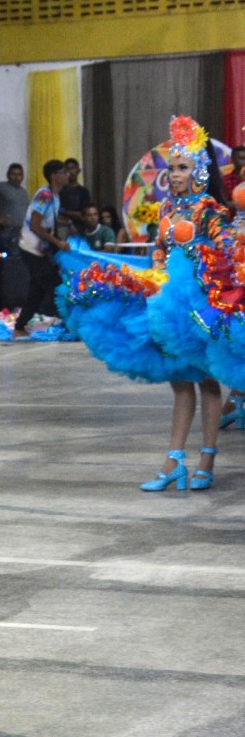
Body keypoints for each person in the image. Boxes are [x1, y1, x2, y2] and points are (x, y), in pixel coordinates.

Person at [59, 116, 228, 491]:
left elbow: (223, 251)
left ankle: (207, 459)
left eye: (183, 167)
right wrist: (154, 272)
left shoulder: (210, 211)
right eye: (172, 168)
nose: (175, 174)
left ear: (199, 171)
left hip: (198, 304)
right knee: (181, 382)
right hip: (169, 302)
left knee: (207, 380)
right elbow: (160, 251)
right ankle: (174, 462)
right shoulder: (168, 211)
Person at [12, 159, 70, 339]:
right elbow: (35, 226)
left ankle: (20, 327)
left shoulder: (55, 197)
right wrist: (57, 242)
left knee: (36, 290)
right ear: (54, 176)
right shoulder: (44, 195)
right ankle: (70, 324)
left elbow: (47, 222)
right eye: (63, 172)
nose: (67, 175)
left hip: (39, 250)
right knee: (56, 286)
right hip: (30, 248)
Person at [0, 163, 28, 253]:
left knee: (18, 262)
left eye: (19, 174)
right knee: (7, 262)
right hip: (5, 232)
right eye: (13, 174)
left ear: (23, 176)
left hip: (21, 233)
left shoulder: (23, 192)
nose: (16, 177)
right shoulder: (0, 187)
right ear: (8, 175)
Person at [58, 158, 91, 235]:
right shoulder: (59, 190)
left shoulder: (83, 191)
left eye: (73, 168)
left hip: (79, 228)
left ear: (78, 170)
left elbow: (84, 215)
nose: (70, 172)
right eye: (67, 169)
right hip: (61, 228)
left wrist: (65, 212)